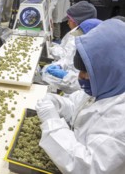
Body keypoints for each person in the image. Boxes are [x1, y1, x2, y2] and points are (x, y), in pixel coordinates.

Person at [35, 19, 125, 174]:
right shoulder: (107, 87)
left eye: (87, 72)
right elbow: (80, 106)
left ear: (110, 69)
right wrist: (58, 104)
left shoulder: (120, 119)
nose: (80, 77)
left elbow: (87, 167)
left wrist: (52, 123)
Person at [42, 18, 102, 94]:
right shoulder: (82, 46)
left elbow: (85, 86)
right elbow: (69, 59)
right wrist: (60, 65)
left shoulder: (99, 58)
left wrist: (66, 76)